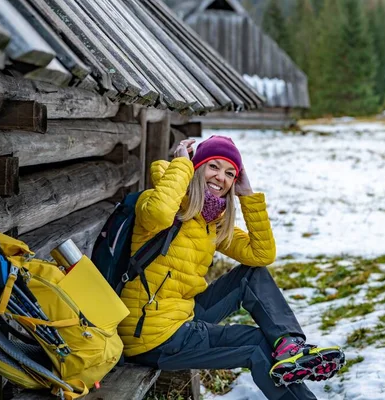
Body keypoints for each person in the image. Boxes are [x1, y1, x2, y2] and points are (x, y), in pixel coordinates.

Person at [118, 135, 345, 399]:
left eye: (230, 173)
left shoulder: (210, 221)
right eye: (213, 166)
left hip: (180, 314)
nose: (220, 178)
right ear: (196, 167)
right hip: (152, 335)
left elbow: (262, 254)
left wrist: (248, 195)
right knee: (258, 346)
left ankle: (290, 345)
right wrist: (180, 165)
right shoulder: (159, 203)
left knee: (251, 275)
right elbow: (158, 213)